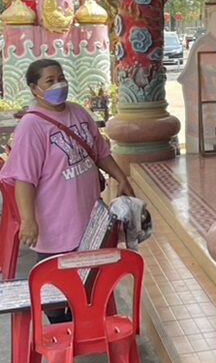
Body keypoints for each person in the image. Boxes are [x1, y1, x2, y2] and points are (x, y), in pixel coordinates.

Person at [0, 59, 135, 320]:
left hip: (89, 221)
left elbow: (100, 152)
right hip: (56, 227)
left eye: (61, 78)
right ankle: (63, 334)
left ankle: (84, 328)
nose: (58, 85)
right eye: (50, 81)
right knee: (56, 294)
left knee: (88, 288)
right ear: (34, 89)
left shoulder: (78, 112)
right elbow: (24, 180)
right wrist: (28, 221)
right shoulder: (32, 127)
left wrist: (121, 177)